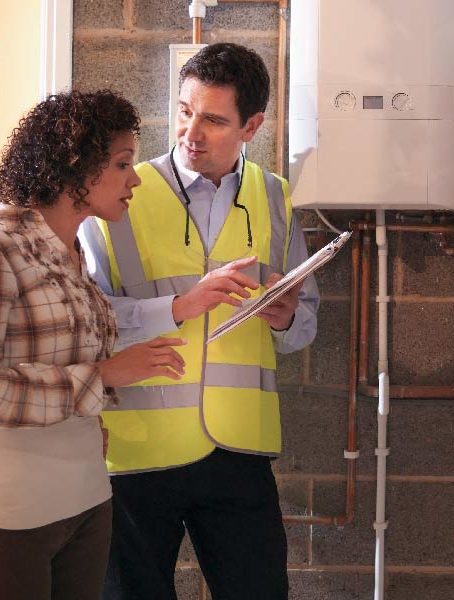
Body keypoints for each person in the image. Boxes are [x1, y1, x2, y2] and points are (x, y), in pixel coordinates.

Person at [80, 43, 319, 599]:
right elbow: (89, 322)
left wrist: (285, 318)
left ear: (251, 125)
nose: (191, 132)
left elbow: (302, 328)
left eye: (213, 119)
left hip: (239, 454)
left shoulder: (278, 199)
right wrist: (178, 307)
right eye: (185, 111)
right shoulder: (118, 195)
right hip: (136, 454)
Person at [0, 90, 188, 600]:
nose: (136, 178)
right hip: (15, 513)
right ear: (74, 165)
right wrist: (104, 376)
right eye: (122, 163)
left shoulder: (74, 253)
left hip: (87, 500)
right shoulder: (6, 244)